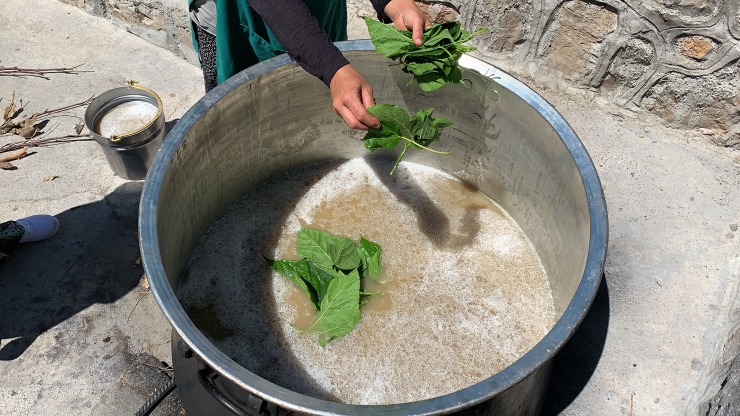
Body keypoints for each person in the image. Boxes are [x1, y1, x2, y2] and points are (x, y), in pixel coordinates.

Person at [188, 0, 431, 130]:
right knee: (239, 123)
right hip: (240, 15)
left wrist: (397, 4)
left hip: (317, 11)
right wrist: (331, 66)